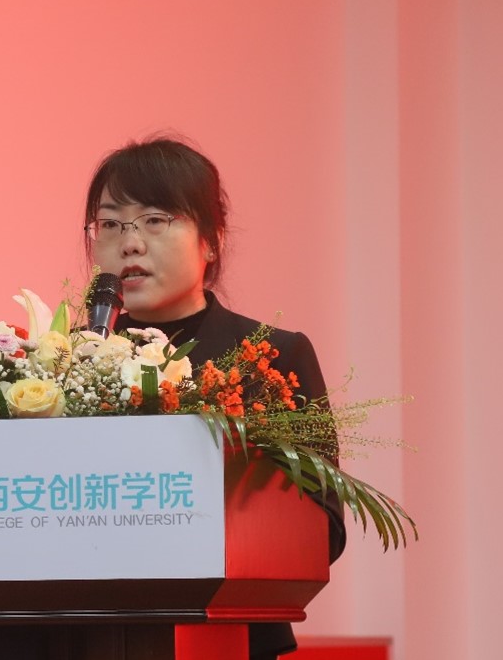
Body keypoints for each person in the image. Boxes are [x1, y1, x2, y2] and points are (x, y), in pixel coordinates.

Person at [83, 135, 347, 660]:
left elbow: (323, 528)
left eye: (154, 220)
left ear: (211, 240)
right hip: (91, 636)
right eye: (110, 224)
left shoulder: (272, 357)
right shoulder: (69, 362)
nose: (129, 244)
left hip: (229, 635)